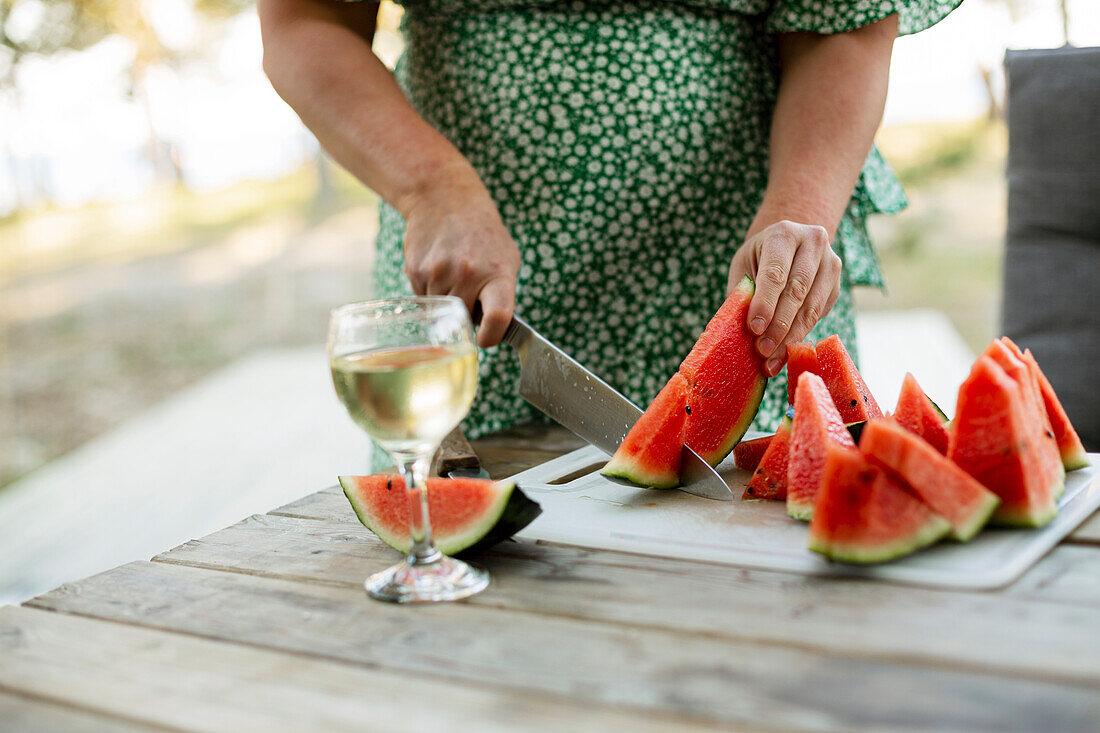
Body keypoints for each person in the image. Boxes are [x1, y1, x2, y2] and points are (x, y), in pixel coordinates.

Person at [259, 0, 961, 440]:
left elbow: (843, 24)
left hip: (744, 286)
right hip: (475, 282)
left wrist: (799, 210)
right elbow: (302, 19)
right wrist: (430, 186)